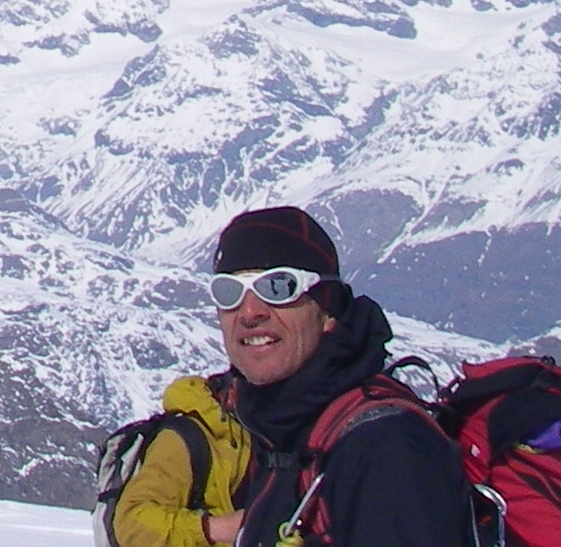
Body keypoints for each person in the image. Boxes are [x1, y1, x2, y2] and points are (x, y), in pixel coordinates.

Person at [207, 205, 473, 547]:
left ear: (328, 310)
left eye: (278, 287)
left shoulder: (383, 448)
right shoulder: (281, 438)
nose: (250, 312)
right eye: (228, 291)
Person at [106, 364, 249, 547]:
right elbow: (132, 522)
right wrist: (214, 529)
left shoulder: (268, 438)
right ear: (232, 389)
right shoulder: (187, 437)